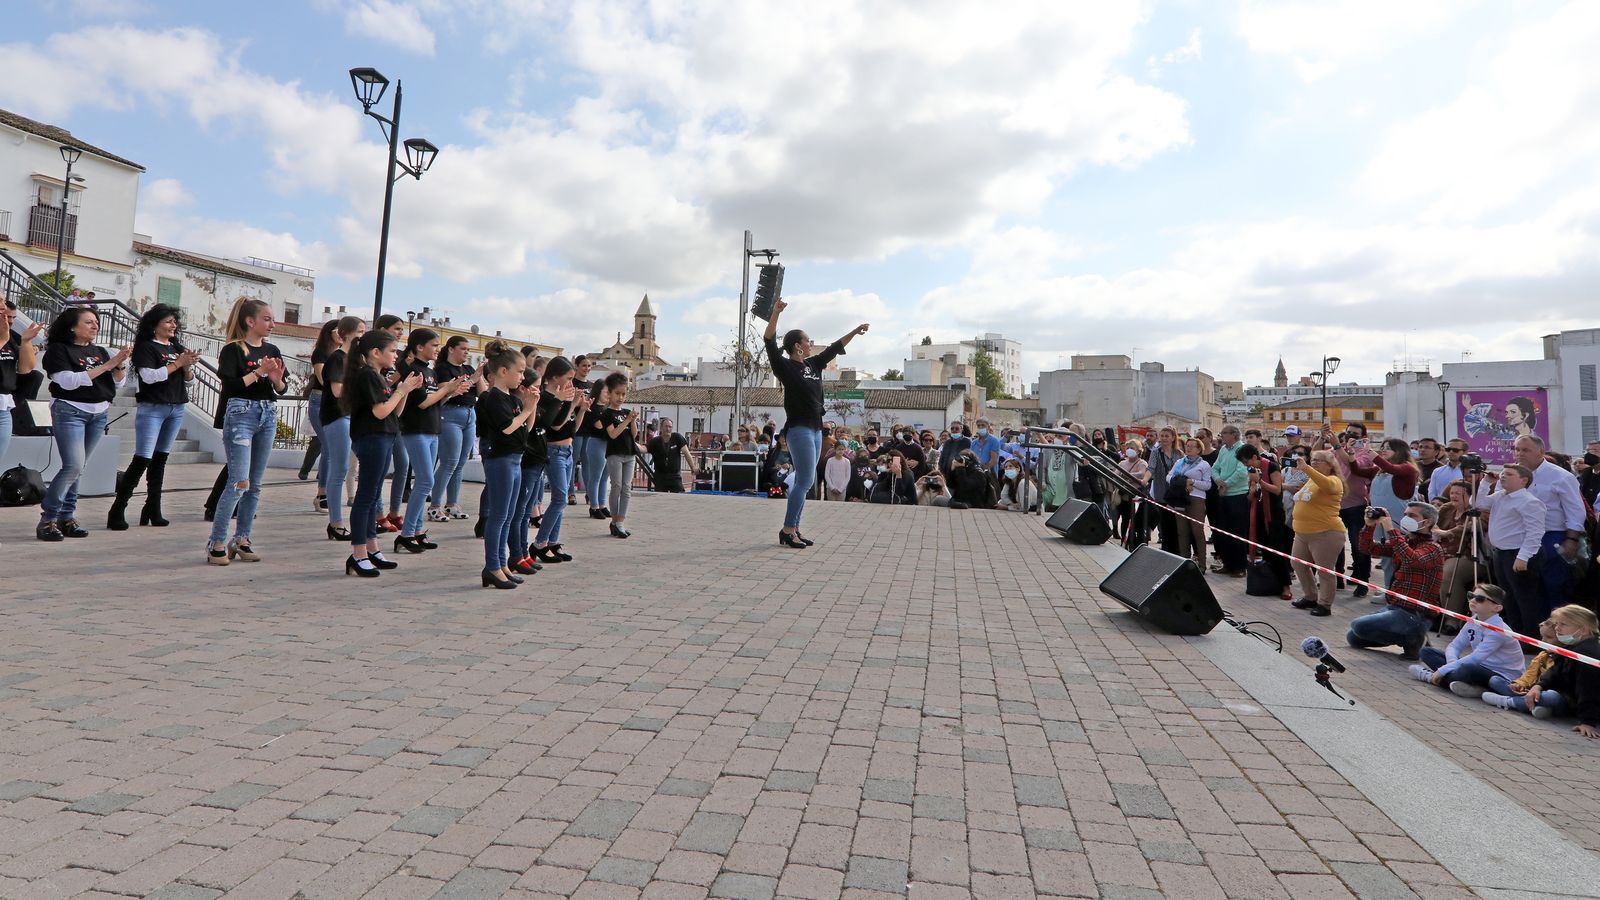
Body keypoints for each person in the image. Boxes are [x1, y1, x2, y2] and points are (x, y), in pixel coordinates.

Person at [762, 298, 869, 548]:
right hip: (799, 429)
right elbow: (768, 340)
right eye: (807, 340)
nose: (811, 344)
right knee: (805, 481)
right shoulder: (785, 366)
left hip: (816, 428)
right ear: (798, 346)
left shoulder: (813, 364)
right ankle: (788, 529)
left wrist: (855, 331)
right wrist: (775, 313)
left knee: (806, 481)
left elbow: (834, 347)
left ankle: (794, 529)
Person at [36, 307, 127, 542]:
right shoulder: (59, 350)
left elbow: (116, 383)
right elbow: (68, 382)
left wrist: (119, 366)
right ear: (72, 326)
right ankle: (48, 518)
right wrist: (108, 365)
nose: (95, 326)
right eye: (88, 322)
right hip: (70, 410)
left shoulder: (100, 351)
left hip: (98, 412)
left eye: (96, 322)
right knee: (73, 465)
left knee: (79, 467)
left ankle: (67, 517)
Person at [207, 299, 286, 564]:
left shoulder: (272, 349)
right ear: (250, 321)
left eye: (272, 319)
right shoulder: (233, 350)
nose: (272, 324)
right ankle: (216, 541)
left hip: (267, 412)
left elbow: (280, 388)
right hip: (241, 413)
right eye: (267, 319)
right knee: (239, 481)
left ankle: (242, 538)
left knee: (256, 484)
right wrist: (259, 372)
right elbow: (230, 386)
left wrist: (276, 380)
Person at [109, 304, 198, 530]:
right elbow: (149, 377)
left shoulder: (177, 347)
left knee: (161, 459)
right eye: (168, 321)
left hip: (176, 406)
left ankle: (153, 507)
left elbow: (189, 381)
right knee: (143, 458)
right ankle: (118, 509)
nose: (173, 325)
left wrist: (187, 367)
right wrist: (178, 363)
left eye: (174, 322)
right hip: (152, 407)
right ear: (155, 324)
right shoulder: (146, 348)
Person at [340, 330, 420, 577]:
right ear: (376, 352)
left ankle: (371, 549)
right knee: (366, 496)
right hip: (372, 438)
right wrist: (400, 389)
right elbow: (379, 412)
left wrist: (404, 391)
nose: (396, 355)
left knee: (373, 495)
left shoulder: (378, 376)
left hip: (384, 436)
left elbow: (394, 412)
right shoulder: (367, 375)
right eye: (392, 351)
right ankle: (359, 553)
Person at [394, 328, 470, 553]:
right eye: (434, 345)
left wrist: (449, 392)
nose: (438, 349)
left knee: (425, 480)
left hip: (431, 429)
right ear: (419, 347)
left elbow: (435, 401)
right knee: (426, 481)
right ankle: (406, 533)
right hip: (416, 430)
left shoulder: (430, 372)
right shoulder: (414, 371)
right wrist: (446, 389)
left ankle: (417, 531)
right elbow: (423, 402)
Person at [476, 342, 540, 587]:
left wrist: (529, 408)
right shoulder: (493, 398)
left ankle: (501, 563)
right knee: (499, 515)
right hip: (500, 460)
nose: (523, 377)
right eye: (520, 371)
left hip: (515, 459)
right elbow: (507, 427)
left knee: (509, 514)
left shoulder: (511, 398)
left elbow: (526, 428)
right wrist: (526, 409)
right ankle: (492, 566)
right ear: (503, 371)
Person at [1483, 605, 1600, 738]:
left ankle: (1509, 702)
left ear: (1583, 630)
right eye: (1557, 624)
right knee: (1496, 681)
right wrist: (1538, 686)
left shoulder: (1588, 654)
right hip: (1563, 693)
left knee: (1551, 697)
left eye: (1563, 624)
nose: (1557, 628)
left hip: (1573, 702)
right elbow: (1554, 671)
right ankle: (1533, 704)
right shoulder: (1573, 646)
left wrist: (1587, 722)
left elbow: (1588, 690)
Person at [1345, 503, 1445, 658]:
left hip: (1415, 612)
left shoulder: (1433, 548)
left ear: (1427, 522)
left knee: (1359, 625)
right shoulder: (1405, 541)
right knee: (1353, 637)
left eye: (1412, 515)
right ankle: (1409, 639)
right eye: (1406, 514)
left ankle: (1415, 636)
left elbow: (1412, 559)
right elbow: (1367, 548)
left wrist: (1391, 530)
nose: (1406, 518)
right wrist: (1369, 526)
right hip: (1395, 607)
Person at [1513, 435, 1587, 619]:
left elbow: (1575, 511)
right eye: (1517, 449)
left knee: (1554, 587)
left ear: (1541, 452)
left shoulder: (1561, 476)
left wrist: (1571, 539)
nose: (1520, 454)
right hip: (1518, 538)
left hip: (1551, 537)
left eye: (1525, 450)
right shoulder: (1511, 474)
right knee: (1526, 589)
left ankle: (1559, 634)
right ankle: (1532, 633)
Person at [1411, 585, 1525, 697]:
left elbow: (1476, 658)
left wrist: (1443, 670)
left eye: (1480, 599)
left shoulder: (1498, 630)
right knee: (1426, 652)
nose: (1473, 600)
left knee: (1466, 668)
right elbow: (1455, 646)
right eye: (1471, 596)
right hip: (1478, 666)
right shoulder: (1473, 620)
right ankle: (1470, 686)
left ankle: (1430, 677)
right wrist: (1451, 662)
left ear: (1496, 608)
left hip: (1501, 675)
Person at [1475, 464, 1548, 639]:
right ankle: (1516, 634)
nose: (1503, 476)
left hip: (1519, 554)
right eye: (1502, 473)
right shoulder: (1501, 495)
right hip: (1502, 552)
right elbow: (1479, 503)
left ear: (1523, 480)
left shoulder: (1529, 501)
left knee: (1525, 598)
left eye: (1509, 474)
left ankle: (1531, 638)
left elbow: (1535, 532)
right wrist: (1485, 482)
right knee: (1508, 597)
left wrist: (1523, 557)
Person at [531, 356, 589, 565]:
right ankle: (539, 543)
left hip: (568, 450)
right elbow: (555, 425)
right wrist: (571, 404)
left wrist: (580, 409)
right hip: (553, 451)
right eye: (568, 378)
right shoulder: (548, 397)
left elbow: (572, 427)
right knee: (560, 499)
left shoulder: (564, 397)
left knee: (560, 502)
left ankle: (552, 542)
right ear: (555, 377)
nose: (571, 383)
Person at [317, 317, 364, 541]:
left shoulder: (357, 360)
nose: (363, 337)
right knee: (340, 469)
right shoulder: (337, 358)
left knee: (350, 467)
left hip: (351, 417)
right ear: (346, 334)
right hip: (337, 417)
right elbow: (337, 391)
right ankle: (336, 522)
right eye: (360, 332)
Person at [429, 336, 483, 522]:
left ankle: (452, 503)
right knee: (449, 462)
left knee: (460, 463)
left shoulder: (468, 369)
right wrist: (472, 380)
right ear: (451, 349)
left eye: (468, 349)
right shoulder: (443, 368)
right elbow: (446, 390)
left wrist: (479, 377)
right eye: (463, 349)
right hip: (450, 414)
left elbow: (482, 392)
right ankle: (435, 505)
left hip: (469, 414)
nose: (467, 352)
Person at [1361, 438, 1422, 594]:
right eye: (1382, 447)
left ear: (1399, 451)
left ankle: (1399, 589)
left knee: (1399, 555)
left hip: (1397, 520)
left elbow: (1390, 467)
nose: (1383, 450)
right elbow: (1357, 470)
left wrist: (1369, 451)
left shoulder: (1407, 468)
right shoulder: (1379, 470)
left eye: (1388, 448)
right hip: (1379, 519)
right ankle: (1389, 586)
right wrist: (1347, 453)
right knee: (1386, 555)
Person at [1289, 450, 1346, 616]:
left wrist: (1306, 468)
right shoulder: (1312, 480)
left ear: (1330, 466)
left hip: (1326, 532)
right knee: (1298, 564)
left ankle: (1325, 604)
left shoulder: (1334, 480)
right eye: (1313, 460)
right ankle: (1310, 596)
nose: (1314, 463)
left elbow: (1326, 485)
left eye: (1319, 461)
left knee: (1325, 570)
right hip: (1302, 533)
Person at [372, 315, 409, 533]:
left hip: (394, 417)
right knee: (377, 470)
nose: (400, 333)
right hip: (377, 422)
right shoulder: (373, 361)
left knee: (402, 464)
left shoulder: (398, 358)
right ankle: (377, 514)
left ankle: (394, 511)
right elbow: (383, 387)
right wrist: (401, 379)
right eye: (396, 328)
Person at [594, 372, 639, 538]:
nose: (620, 397)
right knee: (617, 486)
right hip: (615, 454)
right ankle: (614, 520)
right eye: (617, 394)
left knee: (627, 488)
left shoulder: (626, 412)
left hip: (630, 453)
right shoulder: (606, 414)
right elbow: (612, 434)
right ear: (610, 393)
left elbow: (634, 435)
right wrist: (626, 421)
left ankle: (620, 521)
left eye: (624, 394)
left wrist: (632, 421)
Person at [1332, 426, 1376, 598]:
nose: (1350, 437)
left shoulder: (1365, 454)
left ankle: (1362, 581)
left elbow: (1354, 465)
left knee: (1359, 546)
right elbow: (1318, 455)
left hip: (1356, 505)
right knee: (1336, 544)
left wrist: (1339, 447)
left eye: (1354, 435)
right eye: (1348, 433)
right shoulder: (1337, 449)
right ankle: (1338, 577)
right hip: (1335, 505)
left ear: (1363, 437)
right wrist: (1324, 438)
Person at [0, 301, 43, 476]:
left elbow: (26, 368)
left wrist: (26, 341)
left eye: (12, 318)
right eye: (5, 315)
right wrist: (3, 339)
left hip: (3, 405)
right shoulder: (4, 337)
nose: (9, 321)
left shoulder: (9, 337)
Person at [299, 319, 339, 498]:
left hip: (336, 402)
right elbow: (324, 379)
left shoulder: (344, 354)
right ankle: (323, 492)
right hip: (320, 400)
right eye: (338, 330)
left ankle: (327, 489)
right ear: (330, 332)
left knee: (333, 446)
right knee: (328, 445)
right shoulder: (321, 353)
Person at [1432, 480, 1479, 630]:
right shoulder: (1446, 509)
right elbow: (1432, 522)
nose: (1454, 496)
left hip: (1469, 555)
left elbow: (1474, 526)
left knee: (1448, 571)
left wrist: (1448, 532)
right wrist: (1437, 530)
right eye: (1452, 493)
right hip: (1443, 551)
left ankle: (1452, 619)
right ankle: (1429, 613)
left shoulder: (1477, 510)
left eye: (1459, 493)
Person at [1209, 425, 1250, 578]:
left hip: (1238, 495)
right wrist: (1219, 481)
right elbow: (1215, 468)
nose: (1222, 436)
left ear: (1234, 435)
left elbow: (1241, 471)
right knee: (1224, 531)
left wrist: (1225, 484)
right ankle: (1228, 564)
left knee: (1238, 532)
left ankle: (1239, 567)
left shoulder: (1242, 449)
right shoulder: (1224, 450)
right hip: (1223, 494)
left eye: (1224, 433)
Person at [1166, 438, 1213, 568]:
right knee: (1182, 531)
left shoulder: (1203, 465)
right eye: (1187, 446)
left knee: (1197, 531)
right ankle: (1184, 562)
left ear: (1199, 449)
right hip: (1180, 498)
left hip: (1196, 499)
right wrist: (1183, 482)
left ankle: (1202, 563)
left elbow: (1208, 485)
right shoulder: (1179, 462)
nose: (1189, 448)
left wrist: (1193, 482)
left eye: (1192, 446)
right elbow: (1169, 477)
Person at [1145, 427, 1181, 553]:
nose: (1164, 438)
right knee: (1165, 522)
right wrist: (1145, 479)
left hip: (1176, 492)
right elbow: (1151, 468)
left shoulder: (1179, 453)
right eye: (1162, 436)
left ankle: (1177, 550)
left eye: (1167, 436)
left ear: (1173, 437)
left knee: (1176, 523)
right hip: (1162, 492)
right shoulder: (1156, 452)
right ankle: (1167, 549)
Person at [1114, 439, 1150, 538]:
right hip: (1124, 495)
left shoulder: (1142, 463)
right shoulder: (1122, 463)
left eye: (1132, 448)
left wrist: (1127, 475)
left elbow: (1142, 474)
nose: (1129, 450)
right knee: (1125, 518)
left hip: (1136, 495)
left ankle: (1138, 541)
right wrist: (1126, 476)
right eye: (1128, 448)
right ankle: (1124, 540)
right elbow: (1116, 474)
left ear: (1139, 451)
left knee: (1137, 519)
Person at [646, 418, 693, 493]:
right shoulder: (655, 441)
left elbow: (686, 453)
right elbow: (644, 449)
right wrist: (634, 445)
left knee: (680, 498)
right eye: (666, 426)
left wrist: (693, 467)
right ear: (661, 428)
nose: (668, 429)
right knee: (660, 498)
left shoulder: (677, 438)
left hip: (674, 476)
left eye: (670, 427)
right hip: (660, 476)